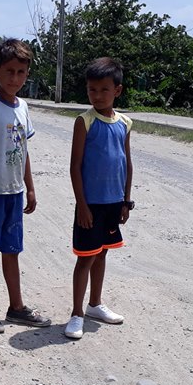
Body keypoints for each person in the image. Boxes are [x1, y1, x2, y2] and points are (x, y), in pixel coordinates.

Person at [0, 38, 51, 333]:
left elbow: (23, 151)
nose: (15, 78)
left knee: (12, 251)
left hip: (14, 193)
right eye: (9, 71)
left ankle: (16, 307)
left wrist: (30, 187)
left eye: (21, 72)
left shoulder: (23, 107)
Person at [64, 57, 134, 340]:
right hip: (90, 205)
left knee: (102, 252)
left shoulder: (125, 123)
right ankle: (76, 313)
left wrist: (126, 201)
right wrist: (82, 205)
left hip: (113, 203)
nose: (97, 95)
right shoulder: (85, 121)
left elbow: (127, 162)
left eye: (104, 89)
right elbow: (75, 166)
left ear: (117, 90)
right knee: (85, 258)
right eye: (92, 89)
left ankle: (95, 304)